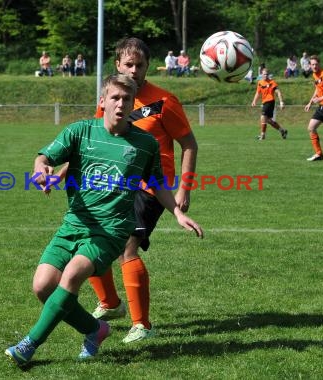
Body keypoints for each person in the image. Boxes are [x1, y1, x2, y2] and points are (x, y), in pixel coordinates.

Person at [4, 74, 203, 367]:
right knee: (43, 287)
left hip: (111, 230)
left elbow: (158, 183)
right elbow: (44, 158)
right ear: (102, 101)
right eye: (115, 98)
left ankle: (28, 345)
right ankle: (95, 330)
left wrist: (177, 212)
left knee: (71, 276)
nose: (121, 104)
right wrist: (41, 171)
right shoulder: (80, 131)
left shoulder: (144, 143)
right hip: (74, 224)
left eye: (126, 99)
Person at [87, 37, 198, 344]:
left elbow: (189, 144)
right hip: (114, 183)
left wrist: (184, 191)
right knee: (92, 241)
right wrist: (64, 172)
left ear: (148, 66)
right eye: (129, 64)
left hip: (151, 187)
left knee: (126, 248)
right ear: (118, 66)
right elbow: (95, 138)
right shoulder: (110, 98)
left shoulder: (164, 101)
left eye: (141, 65)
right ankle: (110, 304)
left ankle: (142, 324)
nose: (135, 70)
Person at [251, 67, 288, 140]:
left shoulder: (272, 82)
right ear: (261, 74)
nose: (265, 76)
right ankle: (282, 131)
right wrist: (254, 101)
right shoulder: (260, 83)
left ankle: (262, 135)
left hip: (270, 101)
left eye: (267, 74)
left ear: (268, 75)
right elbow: (257, 93)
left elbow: (278, 92)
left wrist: (281, 102)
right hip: (265, 102)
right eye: (264, 74)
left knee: (263, 117)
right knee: (268, 120)